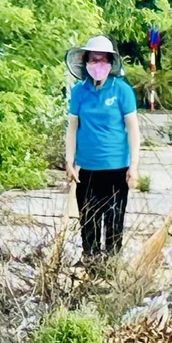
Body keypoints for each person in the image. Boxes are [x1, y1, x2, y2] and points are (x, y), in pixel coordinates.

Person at [64, 35, 140, 259]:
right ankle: (91, 261)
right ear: (86, 63)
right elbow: (72, 128)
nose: (98, 66)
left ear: (110, 64)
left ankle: (112, 264)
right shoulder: (79, 91)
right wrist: (70, 161)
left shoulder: (122, 90)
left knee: (114, 218)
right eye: (93, 60)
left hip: (116, 166)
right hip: (87, 167)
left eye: (102, 61)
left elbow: (133, 129)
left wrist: (133, 166)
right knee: (88, 218)